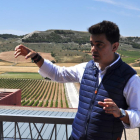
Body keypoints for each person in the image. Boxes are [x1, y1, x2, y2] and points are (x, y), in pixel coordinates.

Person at [14, 20, 140, 140]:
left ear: (115, 47)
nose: (93, 49)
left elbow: (138, 114)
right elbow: (58, 74)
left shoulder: (130, 78)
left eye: (99, 45)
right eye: (92, 44)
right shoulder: (86, 68)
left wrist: (121, 113)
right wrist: (37, 58)